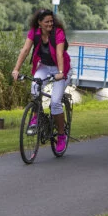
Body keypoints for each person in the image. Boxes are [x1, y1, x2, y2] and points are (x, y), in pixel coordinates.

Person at [11, 9, 71, 154]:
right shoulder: (34, 32)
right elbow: (25, 50)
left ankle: (61, 135)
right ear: (39, 23)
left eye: (51, 21)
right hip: (44, 66)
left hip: (60, 68)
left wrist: (61, 73)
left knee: (55, 102)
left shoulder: (58, 33)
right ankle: (37, 116)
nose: (50, 23)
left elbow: (59, 53)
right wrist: (16, 69)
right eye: (47, 22)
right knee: (34, 86)